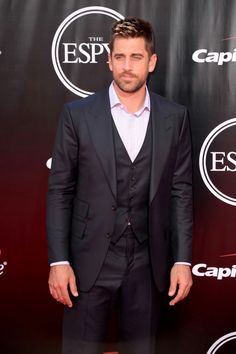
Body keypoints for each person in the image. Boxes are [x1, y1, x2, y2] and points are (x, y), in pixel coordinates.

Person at [46, 17, 193, 354]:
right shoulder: (77, 115)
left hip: (147, 263)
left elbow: (181, 191)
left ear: (151, 61)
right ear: (109, 60)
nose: (127, 67)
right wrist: (58, 262)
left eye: (136, 57)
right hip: (87, 263)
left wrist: (183, 261)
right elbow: (60, 191)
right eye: (120, 57)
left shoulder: (175, 117)